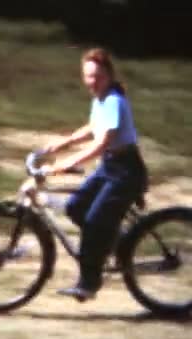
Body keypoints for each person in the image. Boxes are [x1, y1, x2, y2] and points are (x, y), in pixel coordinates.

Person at [41, 47, 148, 301]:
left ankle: (89, 283)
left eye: (97, 76)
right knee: (75, 207)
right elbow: (92, 128)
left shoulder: (113, 100)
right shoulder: (100, 99)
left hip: (126, 172)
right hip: (110, 168)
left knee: (92, 222)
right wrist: (62, 143)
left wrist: (65, 164)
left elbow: (101, 143)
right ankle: (115, 241)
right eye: (88, 76)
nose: (92, 81)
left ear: (109, 75)